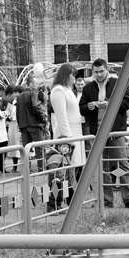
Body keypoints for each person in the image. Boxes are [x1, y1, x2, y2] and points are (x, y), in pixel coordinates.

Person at [79, 58, 129, 209]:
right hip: (97, 132)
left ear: (106, 70)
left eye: (101, 71)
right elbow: (81, 108)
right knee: (102, 167)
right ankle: (106, 200)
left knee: (122, 164)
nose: (99, 75)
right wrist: (90, 106)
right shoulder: (88, 88)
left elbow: (127, 103)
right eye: (96, 72)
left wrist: (110, 104)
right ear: (92, 72)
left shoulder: (118, 84)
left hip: (116, 131)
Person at [49, 63, 85, 209]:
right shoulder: (58, 91)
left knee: (73, 169)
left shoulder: (68, 90)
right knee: (62, 171)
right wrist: (68, 139)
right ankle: (58, 201)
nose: (74, 79)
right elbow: (61, 116)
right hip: (66, 134)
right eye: (72, 75)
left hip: (76, 131)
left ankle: (70, 199)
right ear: (66, 75)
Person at [16, 83, 49, 171]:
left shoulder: (19, 97)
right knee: (39, 147)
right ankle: (41, 167)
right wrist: (43, 118)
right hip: (34, 124)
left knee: (26, 149)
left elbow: (17, 112)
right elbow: (35, 106)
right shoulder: (33, 93)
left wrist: (20, 125)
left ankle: (27, 168)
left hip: (23, 125)